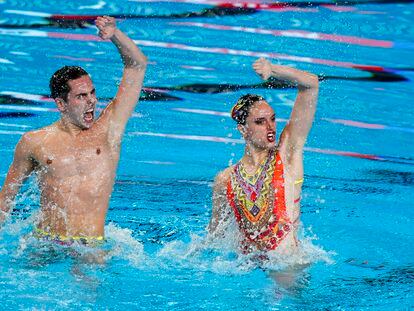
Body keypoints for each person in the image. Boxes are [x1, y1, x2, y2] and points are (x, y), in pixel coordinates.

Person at [0, 16, 147, 245]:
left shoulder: (109, 131)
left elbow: (137, 65)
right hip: (44, 241)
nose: (91, 102)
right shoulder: (34, 142)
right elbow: (6, 199)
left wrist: (115, 35)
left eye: (92, 93)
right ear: (61, 104)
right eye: (81, 96)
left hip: (90, 246)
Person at [209, 58, 319, 255]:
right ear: (243, 130)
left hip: (287, 266)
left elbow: (311, 84)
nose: (271, 128)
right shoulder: (225, 179)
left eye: (273, 119)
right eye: (260, 122)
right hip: (247, 265)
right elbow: (215, 237)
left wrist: (273, 69)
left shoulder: (287, 154)